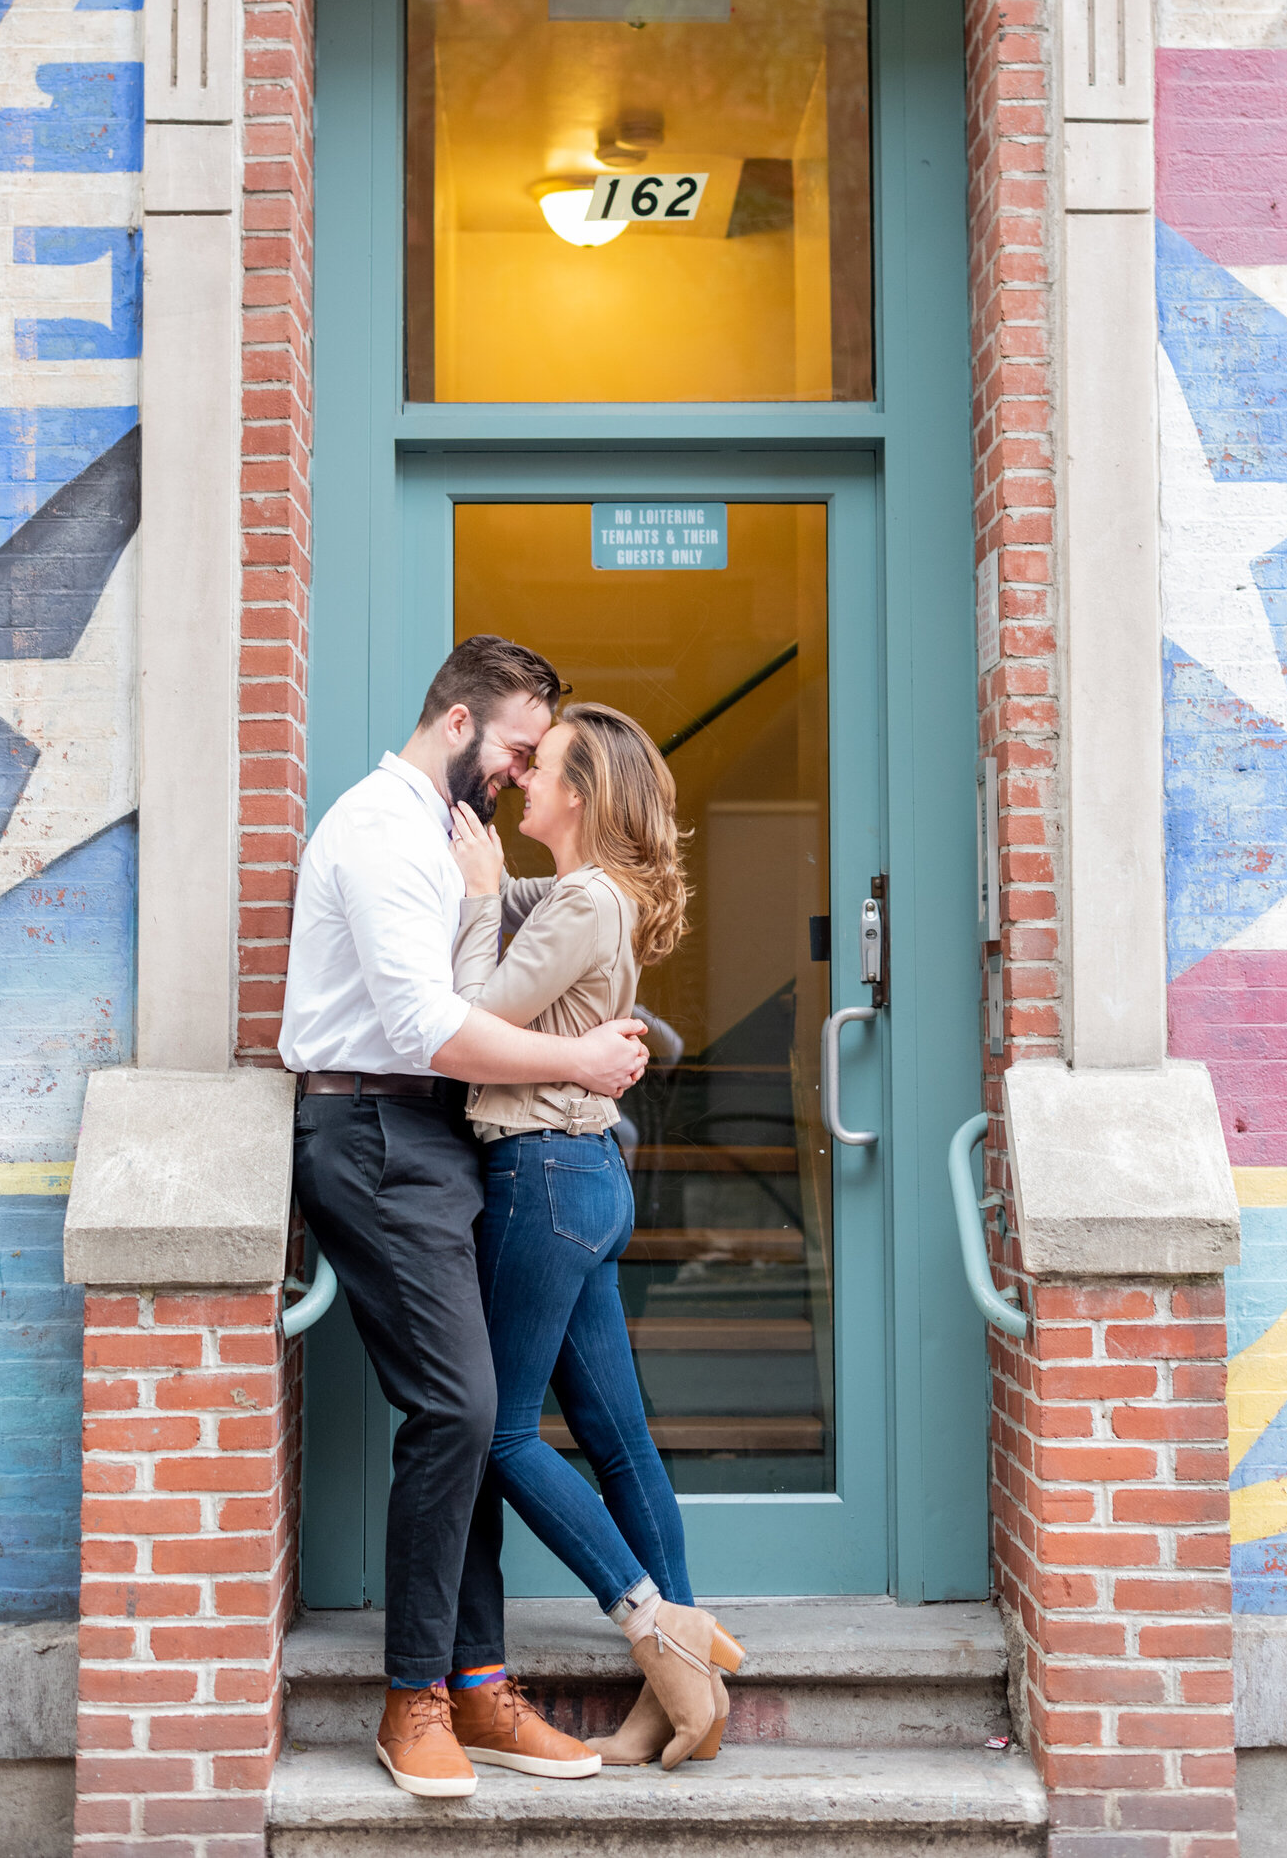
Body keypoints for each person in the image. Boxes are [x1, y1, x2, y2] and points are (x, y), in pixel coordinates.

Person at [279, 638, 651, 1802]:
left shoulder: (445, 839)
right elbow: (429, 1030)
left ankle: (478, 1680)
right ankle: (414, 1702)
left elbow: (556, 931)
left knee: (477, 1412)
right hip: (376, 1133)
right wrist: (581, 1059)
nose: (515, 772)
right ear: (456, 722)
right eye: (513, 748)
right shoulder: (382, 832)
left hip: (436, 1137)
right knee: (460, 1407)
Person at [448, 701, 746, 1772]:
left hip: (541, 1177)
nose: (522, 777)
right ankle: (685, 1693)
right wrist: (474, 881)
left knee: (501, 1432)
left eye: (543, 769)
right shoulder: (592, 893)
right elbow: (505, 905)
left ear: (579, 795)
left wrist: (480, 898)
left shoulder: (580, 900)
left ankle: (654, 1626)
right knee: (618, 1439)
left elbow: (472, 1010)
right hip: (584, 1178)